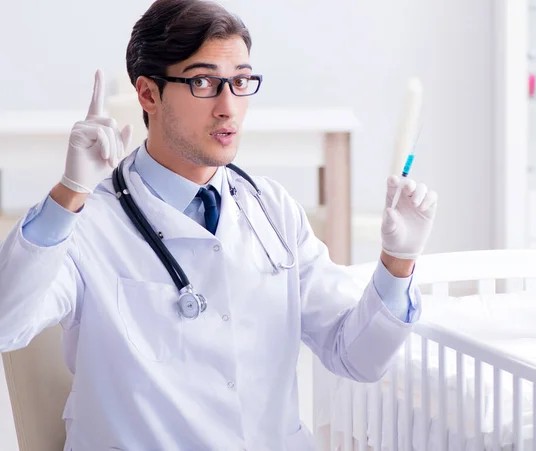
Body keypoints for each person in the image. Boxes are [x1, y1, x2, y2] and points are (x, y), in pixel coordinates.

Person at [0, 0, 437, 449]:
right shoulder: (89, 219)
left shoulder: (272, 209)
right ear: (149, 94)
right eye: (204, 82)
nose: (228, 107)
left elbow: (357, 358)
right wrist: (69, 193)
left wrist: (397, 262)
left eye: (241, 81)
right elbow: (6, 321)